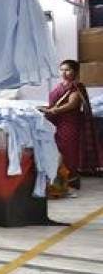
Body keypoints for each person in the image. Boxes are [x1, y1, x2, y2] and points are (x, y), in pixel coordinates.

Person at [39, 59, 101, 193]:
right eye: (62, 69)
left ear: (76, 71)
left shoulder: (77, 86)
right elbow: (54, 104)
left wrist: (52, 111)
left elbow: (72, 104)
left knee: (69, 153)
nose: (64, 72)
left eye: (68, 70)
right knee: (57, 152)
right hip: (57, 123)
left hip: (70, 124)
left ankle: (71, 180)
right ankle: (60, 180)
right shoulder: (59, 86)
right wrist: (45, 109)